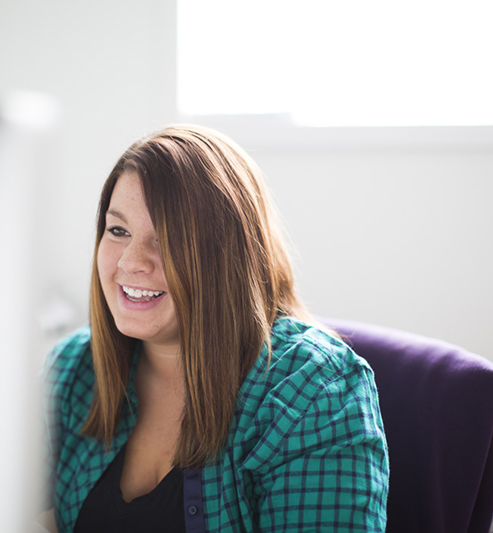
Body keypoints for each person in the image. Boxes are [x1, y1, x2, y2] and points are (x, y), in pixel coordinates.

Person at [39, 125, 388, 532]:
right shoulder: (73, 368)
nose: (131, 262)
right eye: (118, 231)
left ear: (227, 255)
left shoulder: (313, 392)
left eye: (168, 238)